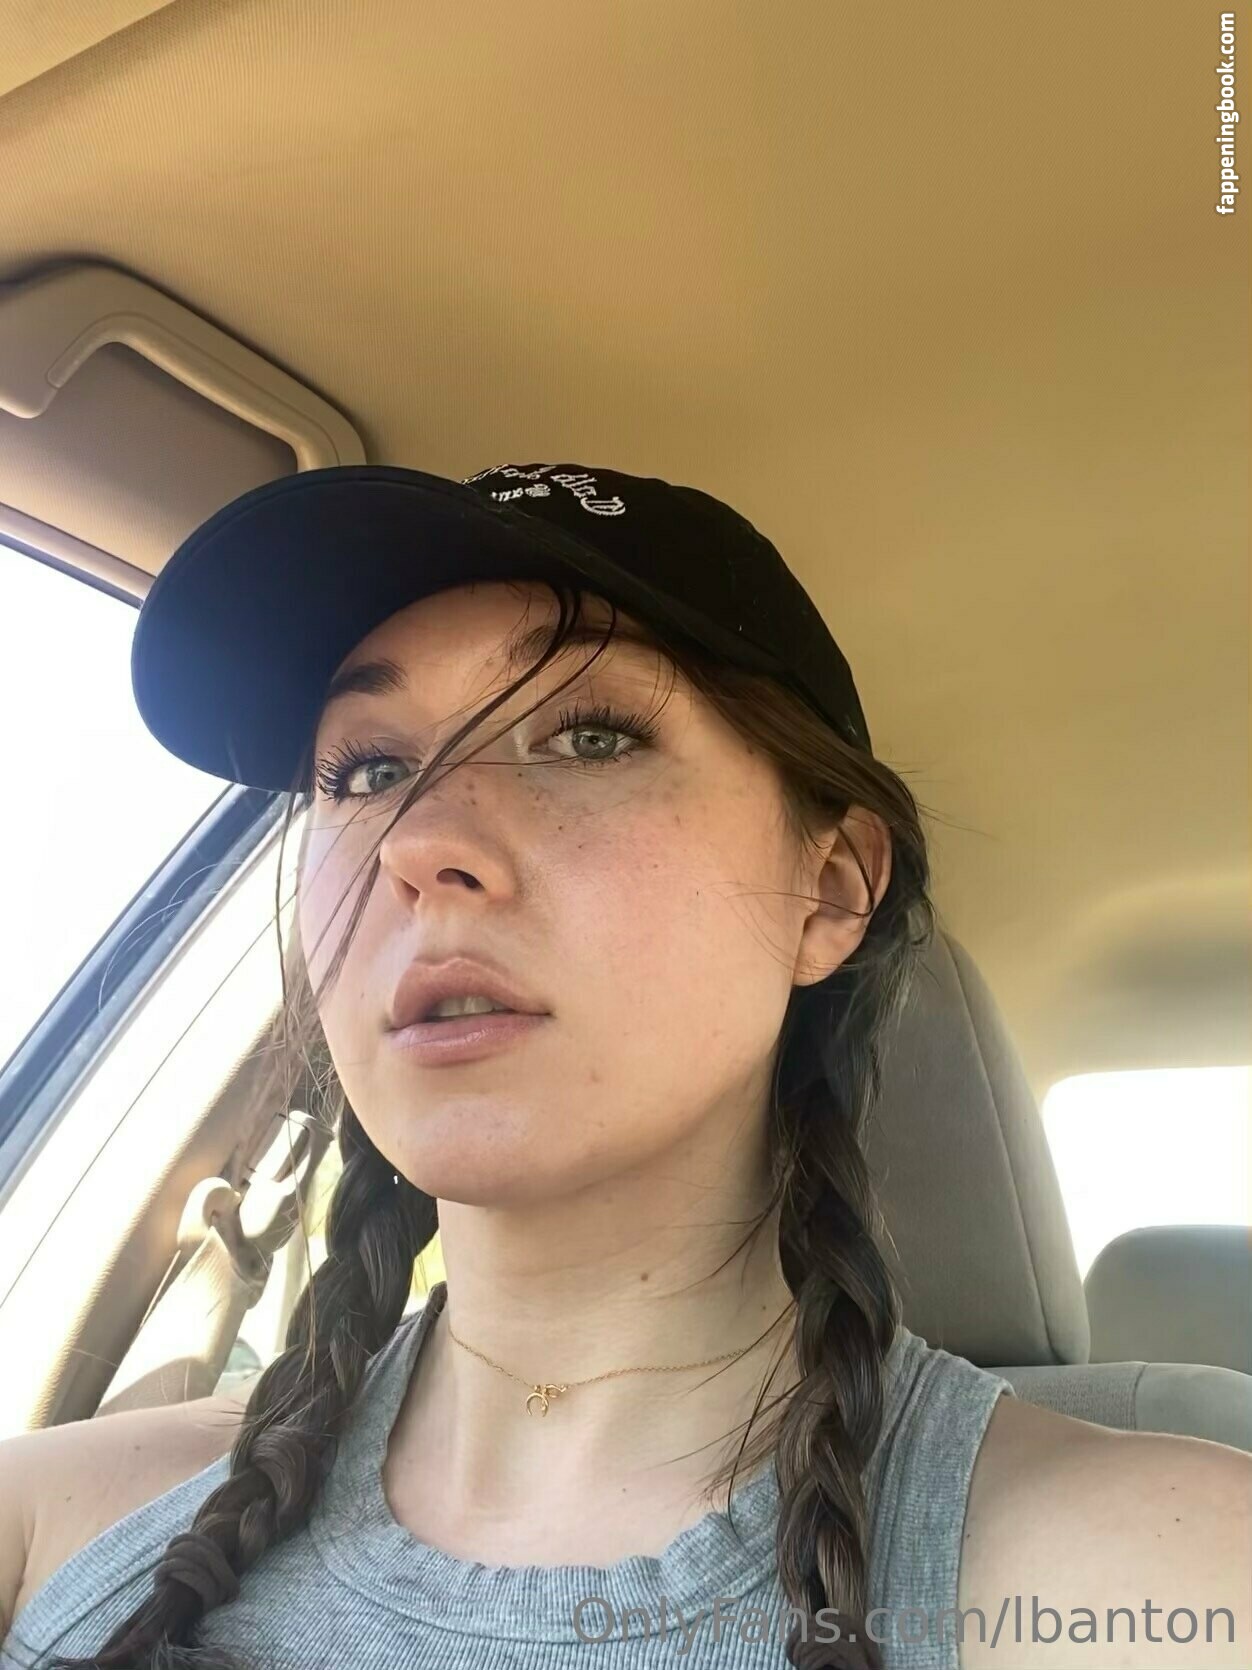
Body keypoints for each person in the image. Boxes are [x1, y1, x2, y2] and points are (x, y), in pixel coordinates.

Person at [2, 462, 1247, 1670]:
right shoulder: (44, 1522)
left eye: (590, 736)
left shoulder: (1174, 1583)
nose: (418, 841)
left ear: (828, 887)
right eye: (369, 769)